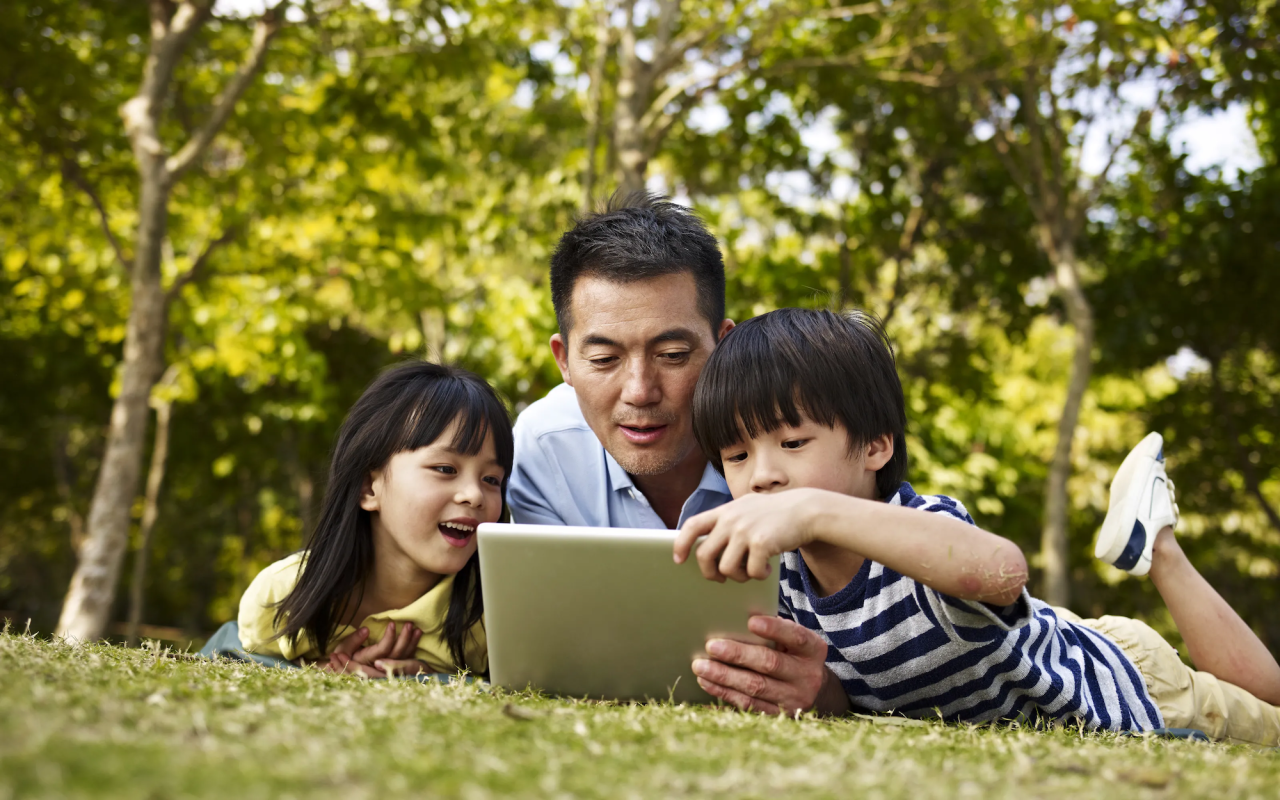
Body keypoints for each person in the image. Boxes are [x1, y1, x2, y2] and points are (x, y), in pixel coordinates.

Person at [673, 308, 1280, 745]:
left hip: (1130, 682)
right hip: (1046, 645)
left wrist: (813, 509)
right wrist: (819, 694)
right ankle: (1159, 544)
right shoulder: (780, 582)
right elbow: (859, 689)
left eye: (794, 441)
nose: (763, 476)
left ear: (876, 447)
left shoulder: (919, 528)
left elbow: (1001, 569)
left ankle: (1161, 547)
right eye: (737, 456)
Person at [236, 361, 513, 678]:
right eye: (446, 469)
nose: (474, 495)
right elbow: (239, 662)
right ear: (369, 487)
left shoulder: (491, 619)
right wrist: (315, 669)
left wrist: (435, 677)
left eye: (492, 480)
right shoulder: (282, 597)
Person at [507, 192, 734, 530]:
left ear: (723, 346)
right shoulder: (545, 448)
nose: (640, 392)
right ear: (564, 360)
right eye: (604, 359)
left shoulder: (792, 436)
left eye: (672, 355)